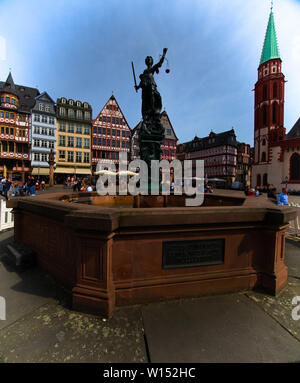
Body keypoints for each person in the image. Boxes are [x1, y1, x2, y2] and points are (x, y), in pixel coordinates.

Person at [135, 48, 168, 120]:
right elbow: (142, 81)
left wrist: (164, 54)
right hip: (144, 87)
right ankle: (146, 113)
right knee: (145, 100)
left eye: (149, 59)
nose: (148, 61)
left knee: (152, 95)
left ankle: (153, 109)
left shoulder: (152, 68)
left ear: (151, 62)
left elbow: (160, 63)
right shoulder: (144, 71)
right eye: (147, 60)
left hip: (151, 84)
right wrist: (138, 87)